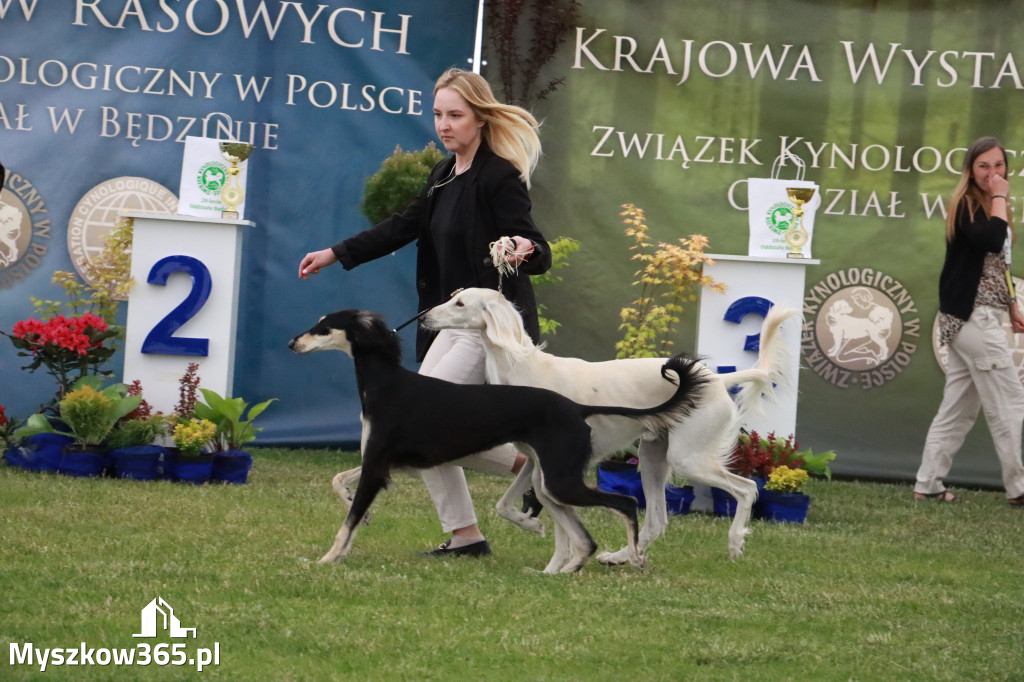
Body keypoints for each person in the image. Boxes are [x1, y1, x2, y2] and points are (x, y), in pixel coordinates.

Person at [298, 68, 552, 553]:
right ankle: (483, 516)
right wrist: (335, 253)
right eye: (438, 114)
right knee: (421, 426)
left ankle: (494, 505)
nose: (444, 124)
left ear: (479, 117)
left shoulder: (499, 176)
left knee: (418, 424)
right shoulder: (442, 175)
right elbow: (402, 226)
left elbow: (538, 248)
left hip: (484, 328)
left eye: (455, 115)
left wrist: (522, 248)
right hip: (445, 325)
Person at [915, 136, 1024, 508]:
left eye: (998, 165)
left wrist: (1010, 304)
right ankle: (1018, 489)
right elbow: (993, 240)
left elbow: (999, 263)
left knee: (958, 408)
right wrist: (1000, 196)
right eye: (984, 166)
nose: (993, 173)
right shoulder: (966, 205)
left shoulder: (992, 207)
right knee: (1009, 401)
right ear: (970, 170)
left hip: (980, 315)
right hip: (971, 317)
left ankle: (928, 483)